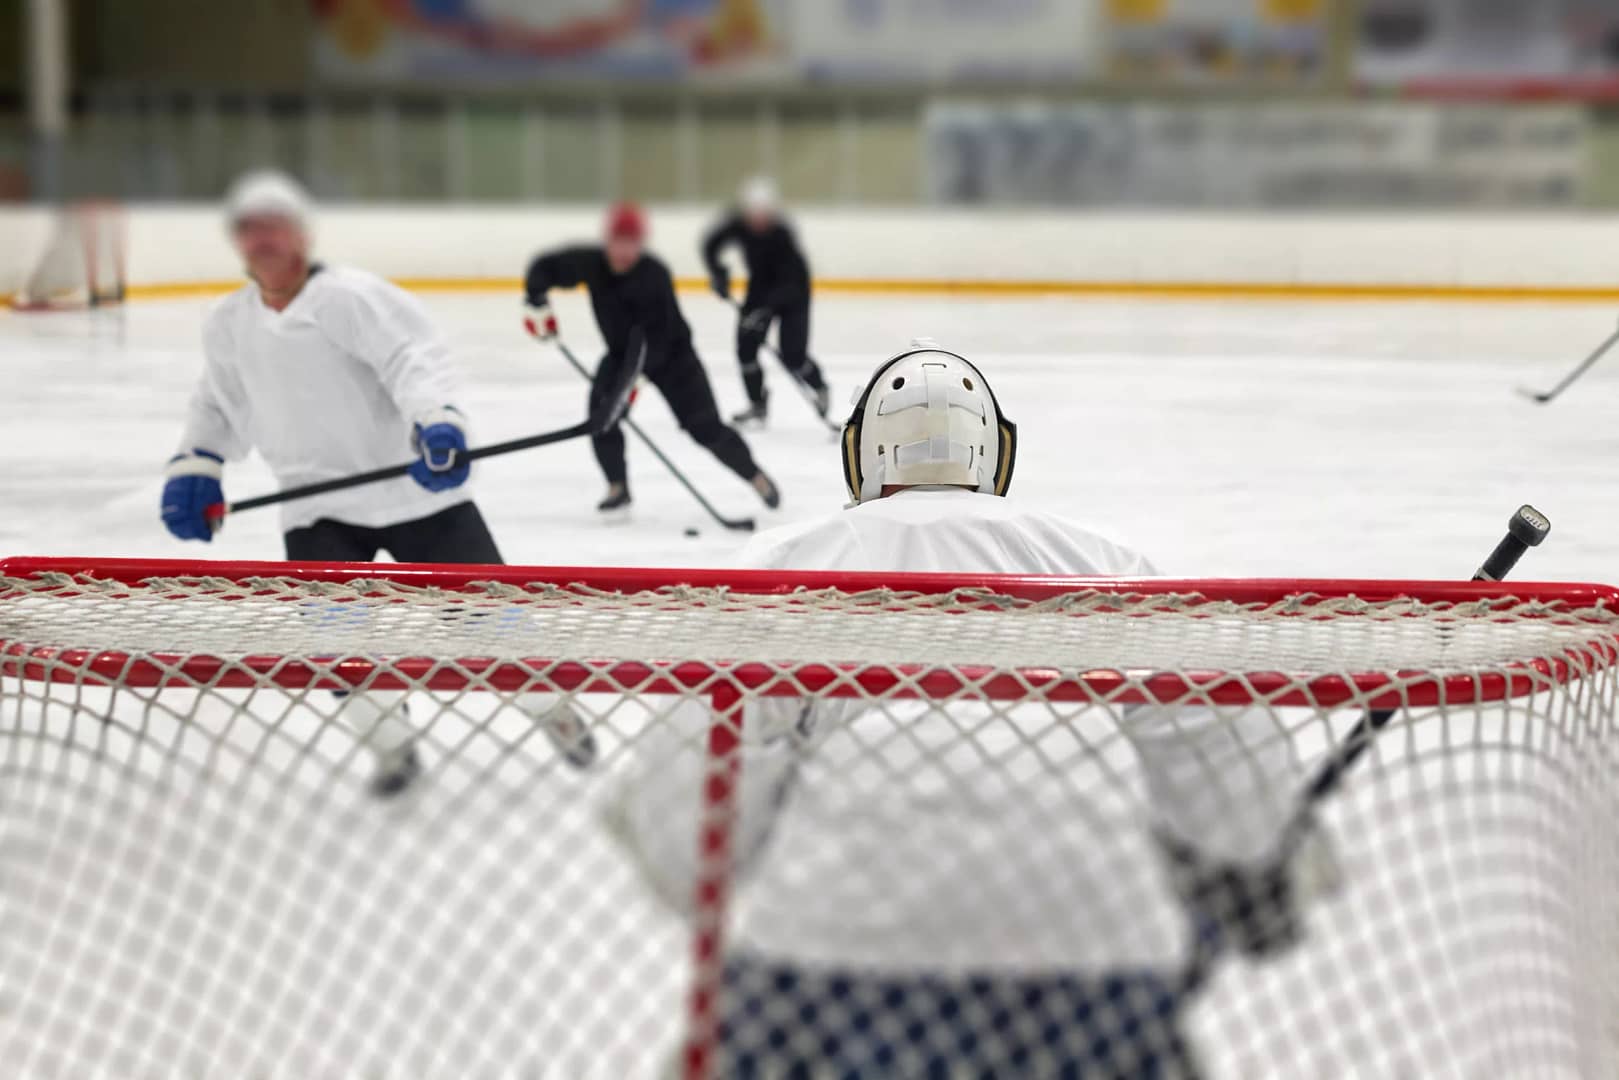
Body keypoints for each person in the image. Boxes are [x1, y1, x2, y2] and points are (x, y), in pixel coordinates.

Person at [615, 342, 1338, 1078]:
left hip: (826, 963)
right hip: (1094, 955)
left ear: (864, 453)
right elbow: (1225, 765)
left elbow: (687, 844)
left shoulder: (776, 572)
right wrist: (1255, 868)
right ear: (994, 454)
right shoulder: (1106, 566)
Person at [159, 169, 596, 797]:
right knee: (342, 652)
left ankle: (553, 712)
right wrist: (197, 465)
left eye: (274, 226)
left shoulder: (352, 298)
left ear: (302, 234)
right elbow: (218, 404)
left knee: (496, 627)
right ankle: (393, 748)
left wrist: (437, 424)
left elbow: (414, 365)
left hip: (417, 495)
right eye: (249, 230)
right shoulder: (229, 323)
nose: (263, 240)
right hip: (317, 509)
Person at [524, 202, 781, 514]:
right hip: (622, 355)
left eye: (630, 243)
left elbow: (654, 342)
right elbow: (543, 268)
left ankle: (755, 476)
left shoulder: (653, 276)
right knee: (601, 418)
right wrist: (536, 301)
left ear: (640, 244)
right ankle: (617, 487)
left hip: (674, 359)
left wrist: (631, 384)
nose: (622, 251)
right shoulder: (590, 263)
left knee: (705, 427)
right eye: (617, 242)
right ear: (608, 240)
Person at [702, 175, 829, 426]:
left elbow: (789, 284)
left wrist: (764, 311)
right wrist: (719, 274)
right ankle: (757, 404)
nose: (758, 220)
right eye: (753, 214)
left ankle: (820, 386)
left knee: (793, 355)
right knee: (746, 347)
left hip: (793, 293)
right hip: (760, 289)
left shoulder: (782, 236)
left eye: (763, 214)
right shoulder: (738, 225)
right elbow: (710, 245)